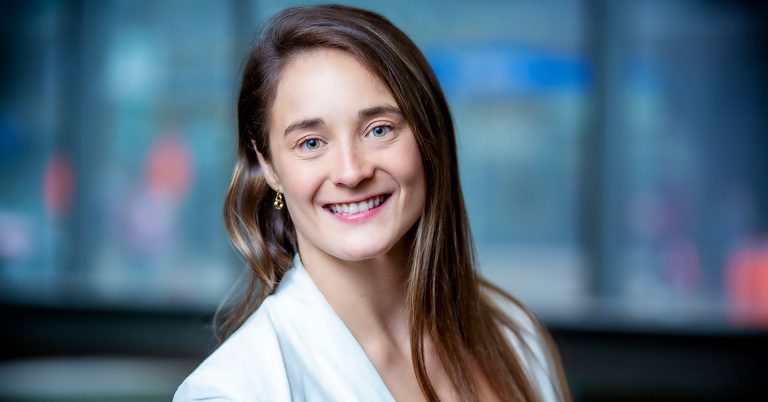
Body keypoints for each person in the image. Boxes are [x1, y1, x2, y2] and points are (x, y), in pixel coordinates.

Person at [174, 4, 571, 402]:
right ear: (268, 165)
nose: (351, 172)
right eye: (311, 142)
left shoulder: (513, 334)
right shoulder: (233, 391)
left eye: (379, 129)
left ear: (428, 136)